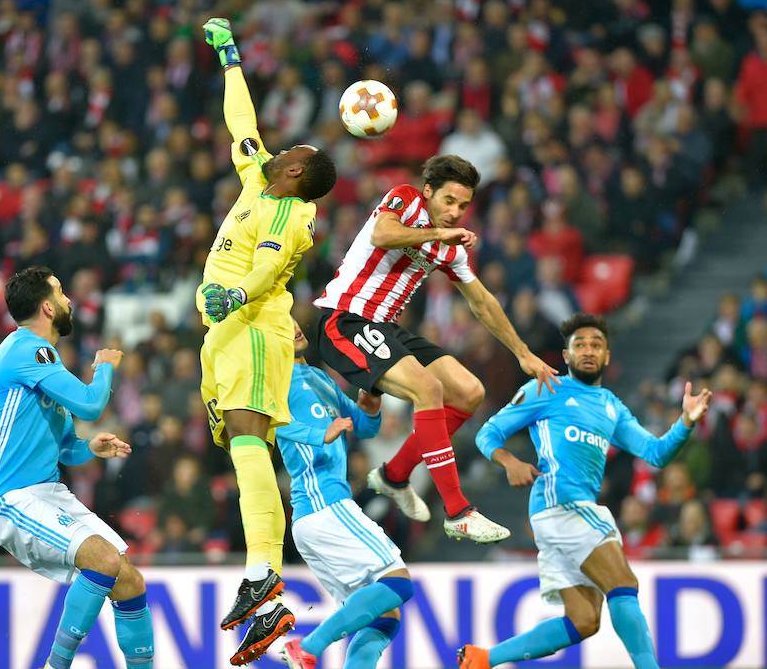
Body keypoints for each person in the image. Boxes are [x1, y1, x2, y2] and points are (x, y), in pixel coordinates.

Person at [313, 154, 557, 542]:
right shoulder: (406, 199)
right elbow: (383, 235)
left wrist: (523, 352)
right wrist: (436, 235)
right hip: (345, 319)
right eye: (448, 201)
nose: (455, 212)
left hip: (385, 329)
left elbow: (482, 302)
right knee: (429, 389)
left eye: (462, 206)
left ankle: (394, 476)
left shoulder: (451, 248)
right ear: (429, 192)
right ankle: (458, 510)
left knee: (468, 392)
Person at [196, 17, 338, 666]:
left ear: (300, 175)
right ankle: (266, 593)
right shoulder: (261, 180)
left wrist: (236, 295)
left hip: (253, 327)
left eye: (297, 154)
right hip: (226, 334)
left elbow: (264, 266)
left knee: (253, 440)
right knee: (243, 447)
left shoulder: (293, 211)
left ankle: (265, 575)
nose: (286, 150)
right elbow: (241, 122)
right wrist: (230, 58)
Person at [457, 313, 712, 669]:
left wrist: (685, 422)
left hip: (565, 515)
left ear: (607, 356)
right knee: (622, 582)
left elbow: (656, 453)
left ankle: (483, 659)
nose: (588, 351)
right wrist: (509, 462)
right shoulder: (547, 387)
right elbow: (488, 434)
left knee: (584, 621)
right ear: (566, 356)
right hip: (560, 504)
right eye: (579, 345)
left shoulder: (611, 406)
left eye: (596, 345)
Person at [0, 266, 153, 669]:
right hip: (6, 495)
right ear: (47, 308)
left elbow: (66, 448)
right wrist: (105, 365)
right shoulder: (25, 349)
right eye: (61, 292)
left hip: (45, 491)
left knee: (129, 581)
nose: (69, 299)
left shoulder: (43, 365)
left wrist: (90, 445)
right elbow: (90, 404)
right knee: (103, 561)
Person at [277, 321, 412, 669]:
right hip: (324, 503)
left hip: (316, 515)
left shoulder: (320, 380)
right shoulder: (275, 380)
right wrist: (319, 433)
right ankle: (308, 646)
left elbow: (364, 428)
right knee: (399, 583)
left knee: (385, 615)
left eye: (292, 321)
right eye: (281, 325)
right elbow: (266, 422)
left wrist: (371, 403)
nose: (293, 328)